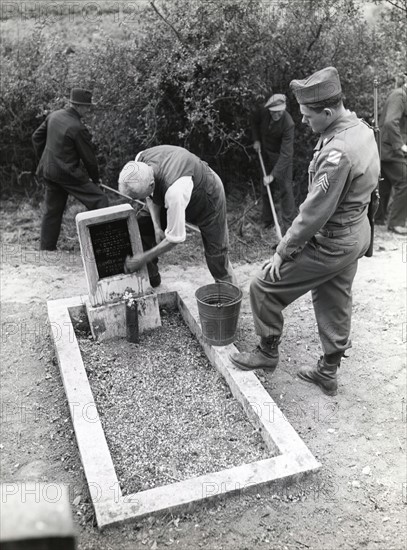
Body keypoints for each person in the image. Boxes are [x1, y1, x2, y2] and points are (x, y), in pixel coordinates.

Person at [230, 67, 380, 397]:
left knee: (263, 287)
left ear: (327, 112)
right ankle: (328, 371)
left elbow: (314, 213)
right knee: (333, 297)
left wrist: (283, 250)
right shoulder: (362, 130)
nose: (302, 121)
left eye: (308, 115)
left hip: (334, 241)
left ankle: (267, 352)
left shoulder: (338, 153)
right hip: (356, 235)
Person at [118, 145, 236, 287]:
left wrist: (143, 258)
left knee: (216, 256)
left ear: (151, 184)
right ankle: (152, 279)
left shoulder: (175, 191)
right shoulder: (140, 162)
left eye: (137, 197)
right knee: (143, 224)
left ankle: (230, 294)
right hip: (175, 193)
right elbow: (150, 197)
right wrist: (157, 227)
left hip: (208, 197)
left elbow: (175, 239)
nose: (135, 200)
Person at [32, 88, 108, 250]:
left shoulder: (54, 116)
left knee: (52, 210)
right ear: (78, 106)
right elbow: (89, 160)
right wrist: (96, 180)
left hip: (49, 170)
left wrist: (45, 158)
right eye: (87, 107)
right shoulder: (78, 128)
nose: (88, 110)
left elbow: (36, 137)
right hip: (66, 173)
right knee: (100, 200)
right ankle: (103, 246)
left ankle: (47, 248)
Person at [251, 93, 296, 233]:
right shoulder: (263, 111)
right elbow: (253, 121)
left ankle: (289, 227)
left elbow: (286, 154)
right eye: (274, 112)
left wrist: (273, 175)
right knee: (265, 187)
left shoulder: (288, 123)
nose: (278, 115)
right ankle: (267, 221)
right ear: (269, 110)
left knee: (286, 189)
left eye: (280, 111)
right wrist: (256, 139)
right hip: (265, 153)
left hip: (282, 158)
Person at [374, 75, 407, 234]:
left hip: (385, 148)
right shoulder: (400, 95)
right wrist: (400, 145)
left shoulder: (401, 95)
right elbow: (390, 122)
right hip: (390, 149)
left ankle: (378, 219)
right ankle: (396, 223)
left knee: (384, 184)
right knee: (404, 180)